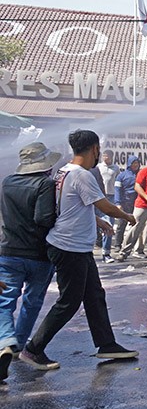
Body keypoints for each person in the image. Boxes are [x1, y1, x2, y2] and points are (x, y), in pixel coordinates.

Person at [20, 130, 138, 370]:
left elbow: (72, 206)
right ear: (94, 149)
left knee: (94, 295)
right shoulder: (82, 175)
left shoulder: (63, 171)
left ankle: (107, 344)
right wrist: (127, 216)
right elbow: (105, 205)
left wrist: (98, 221)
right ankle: (33, 349)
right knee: (69, 302)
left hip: (76, 246)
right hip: (69, 247)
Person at [0, 143, 61, 382]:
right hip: (39, 254)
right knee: (32, 301)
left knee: (5, 300)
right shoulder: (45, 184)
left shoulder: (7, 182)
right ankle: (17, 344)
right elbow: (44, 218)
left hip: (9, 251)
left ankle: (6, 341)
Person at [96, 150, 119, 263]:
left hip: (111, 197)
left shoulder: (115, 168)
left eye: (107, 156)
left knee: (109, 224)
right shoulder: (98, 167)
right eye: (104, 156)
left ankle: (106, 253)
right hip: (99, 197)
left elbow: (118, 183)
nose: (105, 158)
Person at [113, 155, 140, 251]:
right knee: (121, 224)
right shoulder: (121, 176)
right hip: (125, 204)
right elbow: (117, 190)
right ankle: (117, 245)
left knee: (140, 224)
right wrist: (118, 203)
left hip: (137, 204)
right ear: (129, 164)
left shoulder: (140, 174)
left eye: (137, 163)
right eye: (134, 163)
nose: (136, 165)